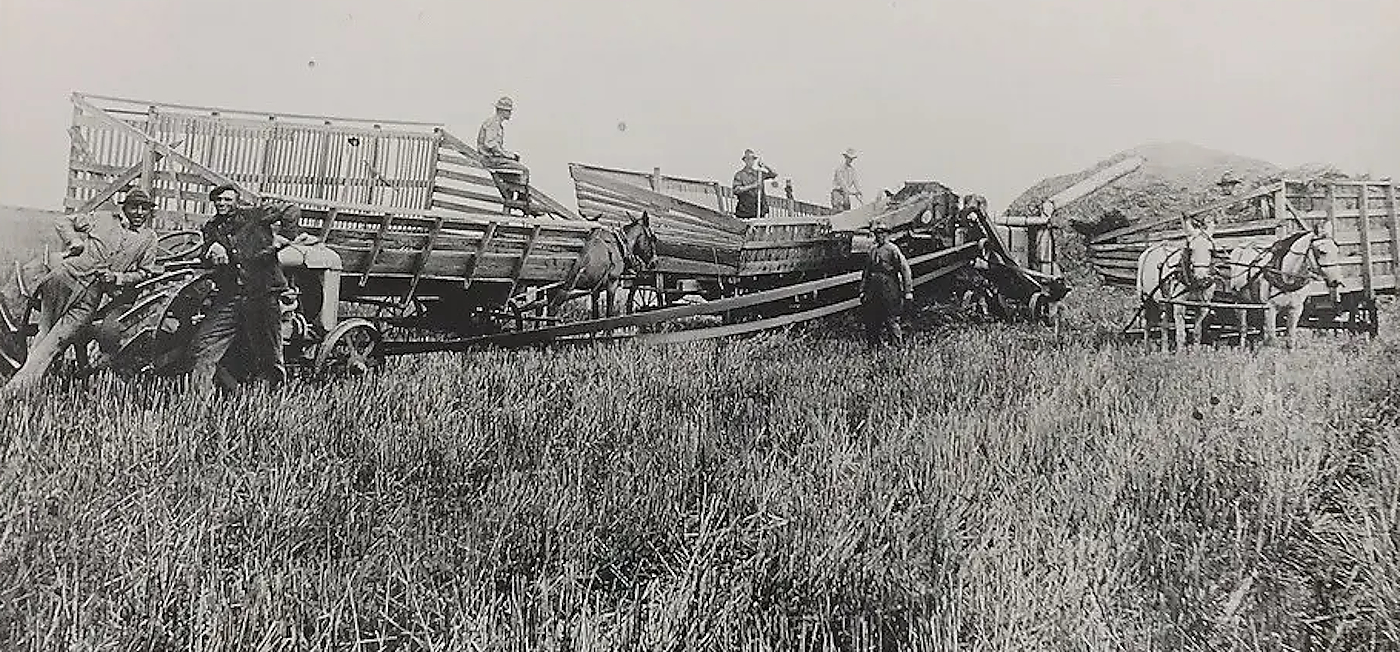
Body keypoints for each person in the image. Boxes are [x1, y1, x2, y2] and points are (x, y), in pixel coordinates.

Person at [1, 189, 160, 396]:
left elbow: (145, 272)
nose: (139, 212)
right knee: (46, 331)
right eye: (134, 207)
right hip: (66, 277)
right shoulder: (103, 219)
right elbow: (64, 222)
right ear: (124, 207)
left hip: (92, 295)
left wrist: (118, 277)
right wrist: (74, 241)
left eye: (145, 208)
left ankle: (17, 388)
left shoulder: (148, 239)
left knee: (58, 340)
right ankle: (24, 383)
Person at [186, 184, 307, 395]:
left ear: (237, 201)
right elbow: (205, 250)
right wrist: (213, 247)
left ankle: (270, 400)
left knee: (269, 352)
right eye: (219, 200)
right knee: (203, 346)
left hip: (262, 293)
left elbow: (291, 209)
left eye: (227, 199)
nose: (223, 203)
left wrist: (284, 239)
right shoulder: (212, 227)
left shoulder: (255, 215)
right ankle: (199, 402)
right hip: (231, 297)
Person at [859, 220, 914, 350]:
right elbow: (866, 272)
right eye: (877, 234)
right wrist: (862, 290)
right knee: (872, 319)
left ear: (887, 235)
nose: (880, 236)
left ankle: (898, 348)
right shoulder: (872, 250)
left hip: (889, 288)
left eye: (882, 233)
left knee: (891, 319)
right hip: (873, 289)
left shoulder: (892, 249)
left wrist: (908, 291)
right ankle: (874, 348)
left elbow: (905, 269)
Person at [477, 95, 530, 189]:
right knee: (524, 170)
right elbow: (491, 145)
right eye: (508, 111)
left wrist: (508, 154)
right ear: (501, 111)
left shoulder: (496, 123)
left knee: (515, 166)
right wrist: (507, 155)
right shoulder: (493, 123)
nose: (510, 113)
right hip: (490, 160)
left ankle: (512, 196)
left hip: (492, 159)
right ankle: (520, 199)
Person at [732, 149, 778, 219]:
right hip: (745, 211)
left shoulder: (759, 173)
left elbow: (774, 174)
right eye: (749, 159)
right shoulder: (740, 175)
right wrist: (753, 186)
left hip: (760, 210)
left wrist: (765, 166)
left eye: (753, 159)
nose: (751, 161)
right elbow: (736, 190)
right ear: (745, 161)